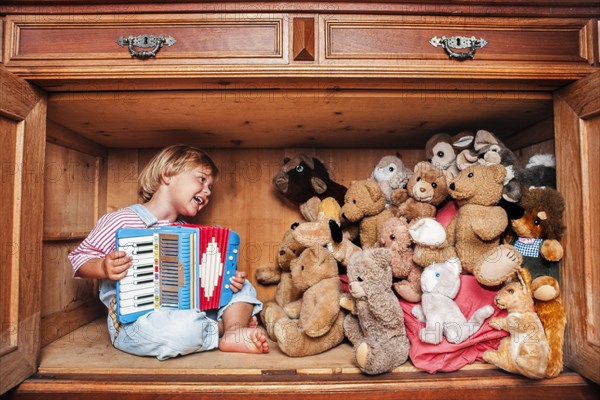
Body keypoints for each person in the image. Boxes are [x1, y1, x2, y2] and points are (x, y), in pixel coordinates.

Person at [68, 144, 269, 360]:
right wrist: (102, 267)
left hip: (192, 311)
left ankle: (234, 331)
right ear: (167, 175)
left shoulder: (193, 235)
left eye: (210, 187)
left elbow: (204, 287)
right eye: (202, 180)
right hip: (138, 322)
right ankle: (222, 328)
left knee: (242, 287)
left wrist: (227, 281)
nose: (208, 191)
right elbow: (78, 258)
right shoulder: (121, 221)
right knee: (175, 332)